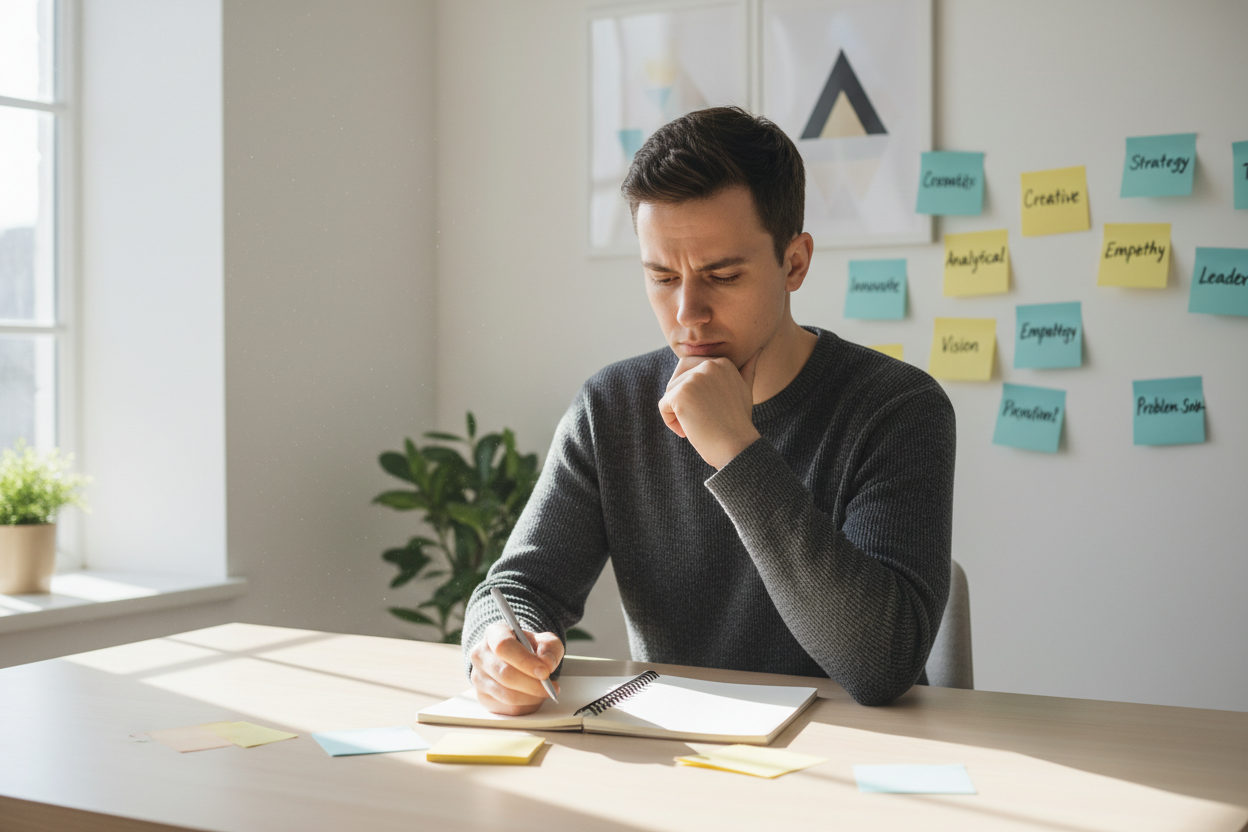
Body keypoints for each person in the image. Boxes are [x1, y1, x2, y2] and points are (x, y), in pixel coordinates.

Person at [462, 106, 955, 712]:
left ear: (794, 263)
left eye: (721, 275)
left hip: (852, 766)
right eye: (663, 277)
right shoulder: (609, 407)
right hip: (681, 762)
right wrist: (496, 648)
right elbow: (516, 588)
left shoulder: (898, 408)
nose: (687, 312)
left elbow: (883, 666)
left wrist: (735, 448)